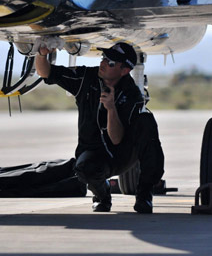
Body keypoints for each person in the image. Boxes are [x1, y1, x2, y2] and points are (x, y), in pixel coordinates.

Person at [35, 41, 164, 213]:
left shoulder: (131, 94)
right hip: (93, 151)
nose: (103, 63)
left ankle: (145, 193)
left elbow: (116, 139)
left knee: (146, 121)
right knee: (85, 169)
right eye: (104, 58)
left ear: (124, 70)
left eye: (110, 62)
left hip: (121, 155)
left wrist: (111, 108)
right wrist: (42, 54)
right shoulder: (86, 78)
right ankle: (102, 196)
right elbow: (46, 72)